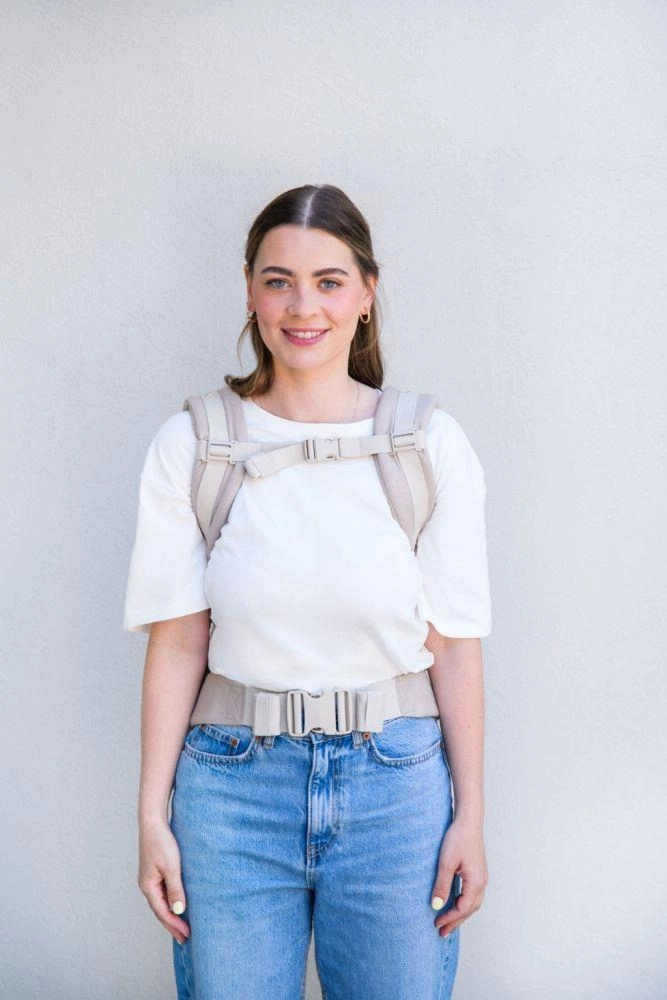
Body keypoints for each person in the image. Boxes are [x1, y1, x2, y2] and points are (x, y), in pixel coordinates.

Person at [123, 183, 492, 999]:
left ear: (366, 294)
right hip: (231, 793)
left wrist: (469, 815)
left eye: (328, 281)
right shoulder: (194, 443)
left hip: (397, 788)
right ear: (249, 293)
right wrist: (151, 816)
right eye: (278, 281)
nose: (302, 307)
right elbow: (178, 643)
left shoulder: (428, 443)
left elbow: (453, 646)